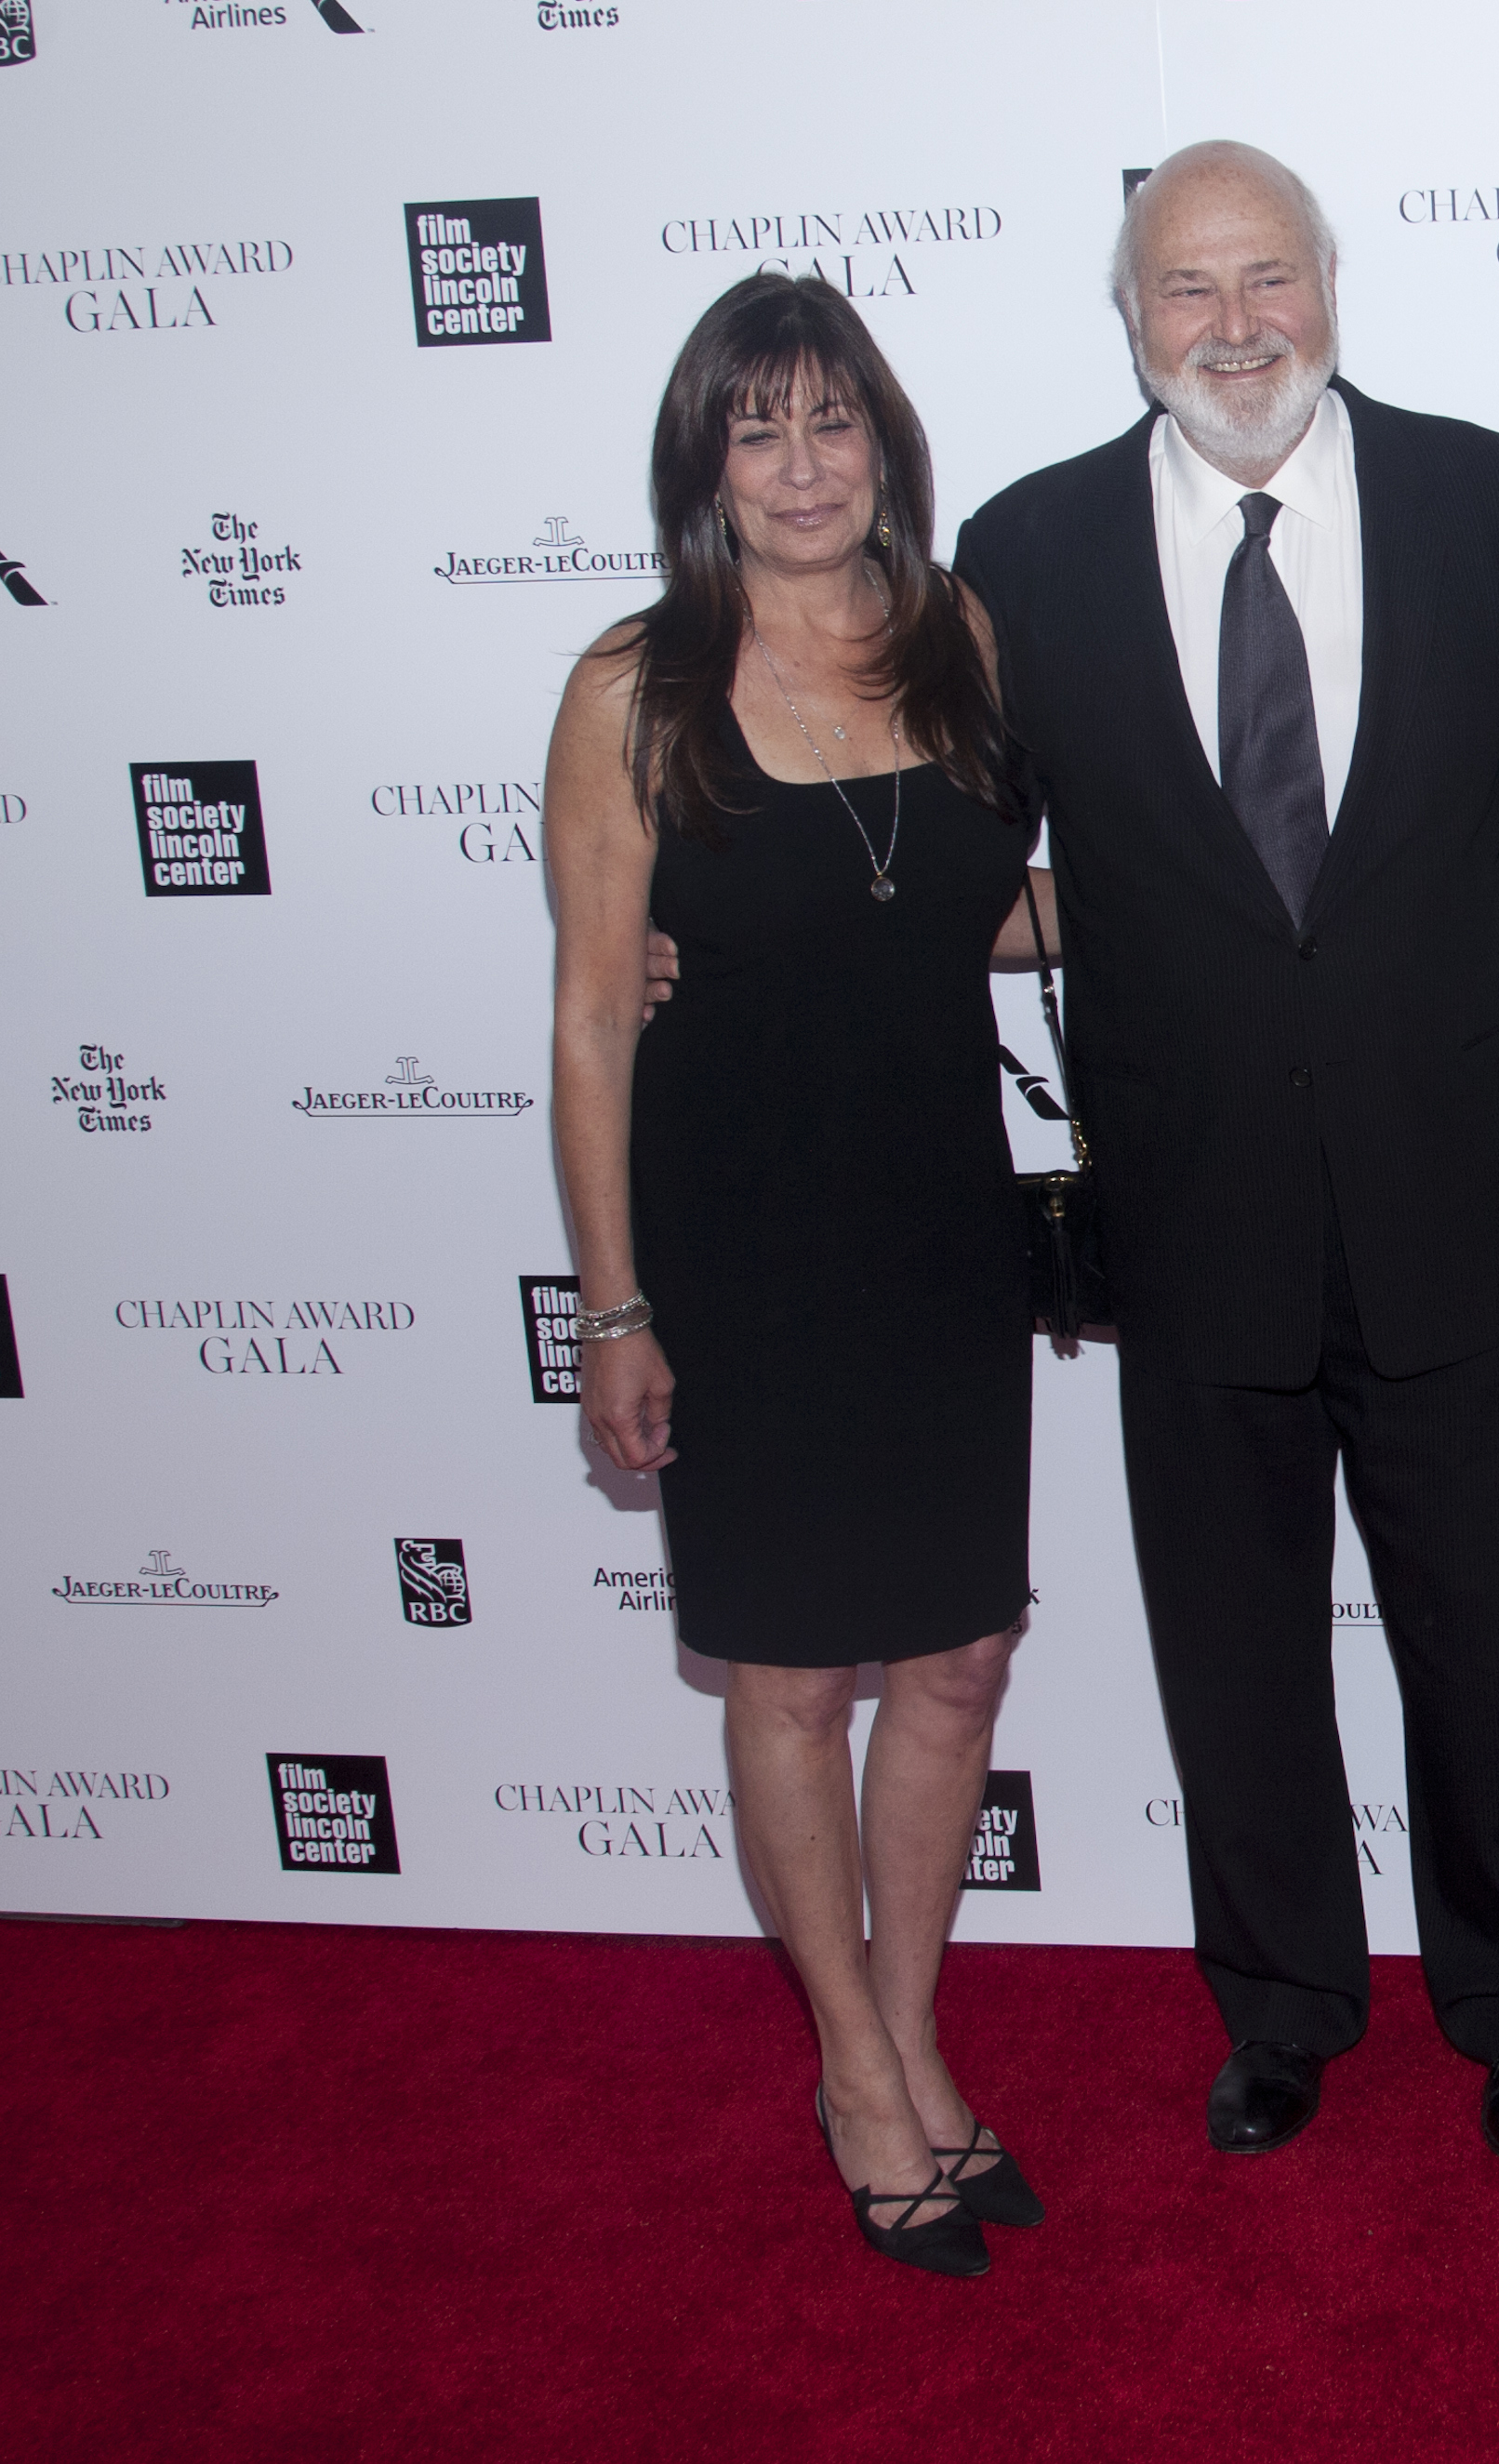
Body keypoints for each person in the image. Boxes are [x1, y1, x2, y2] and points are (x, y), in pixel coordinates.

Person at [949, 142, 1499, 2164]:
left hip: (1444, 1174)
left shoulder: (1486, 500)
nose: (1234, 327)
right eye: (1186, 288)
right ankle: (1281, 2001)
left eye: (1267, 278)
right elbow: (971, 850)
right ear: (1130, 318)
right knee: (1230, 1637)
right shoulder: (1026, 548)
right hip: (1187, 1189)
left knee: (1474, 1623)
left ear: (1330, 283)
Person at [547, 272, 1044, 2280]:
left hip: (938, 1219)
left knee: (957, 1657)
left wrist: (1214, 898)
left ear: (885, 444)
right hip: (740, 1238)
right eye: (756, 430)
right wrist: (613, 1307)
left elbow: (969, 911)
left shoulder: (959, 637)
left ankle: (912, 2033)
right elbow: (595, 1012)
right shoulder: (632, 686)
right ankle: (852, 2072)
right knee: (789, 1674)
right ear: (705, 467)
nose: (802, 464)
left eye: (832, 420)